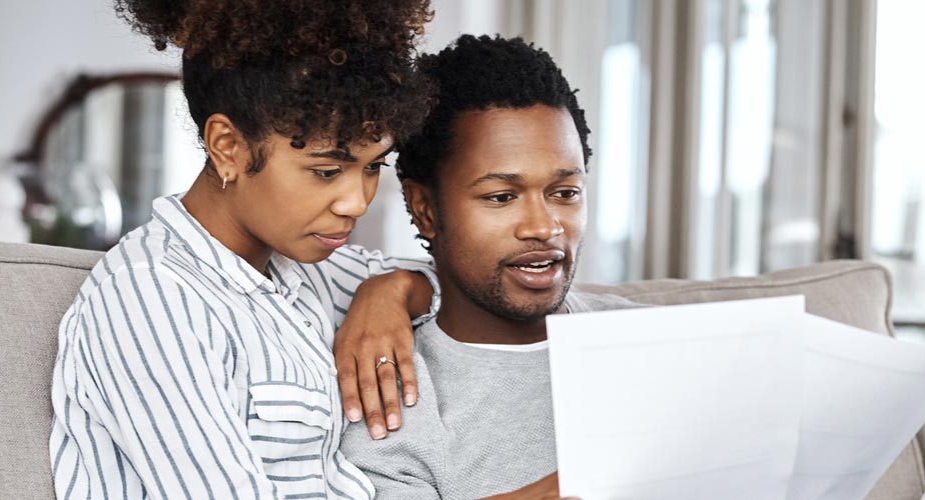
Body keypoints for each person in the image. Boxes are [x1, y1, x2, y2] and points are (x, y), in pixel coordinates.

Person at [50, 1, 441, 498]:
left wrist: (391, 292)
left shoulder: (309, 269)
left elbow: (450, 284)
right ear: (228, 146)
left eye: (372, 167)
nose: (356, 202)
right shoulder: (152, 298)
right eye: (327, 171)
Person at [340, 35, 640, 499]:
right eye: (501, 197)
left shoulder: (651, 337)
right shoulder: (391, 401)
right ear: (424, 209)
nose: (543, 227)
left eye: (565, 193)